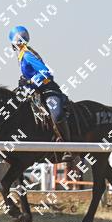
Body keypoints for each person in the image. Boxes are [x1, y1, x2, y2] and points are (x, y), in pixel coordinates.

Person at [9, 25, 73, 163]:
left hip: (47, 89)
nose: (19, 44)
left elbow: (46, 72)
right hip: (33, 90)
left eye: (20, 41)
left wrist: (31, 80)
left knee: (56, 114)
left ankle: (67, 148)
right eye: (18, 42)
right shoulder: (21, 55)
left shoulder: (27, 54)